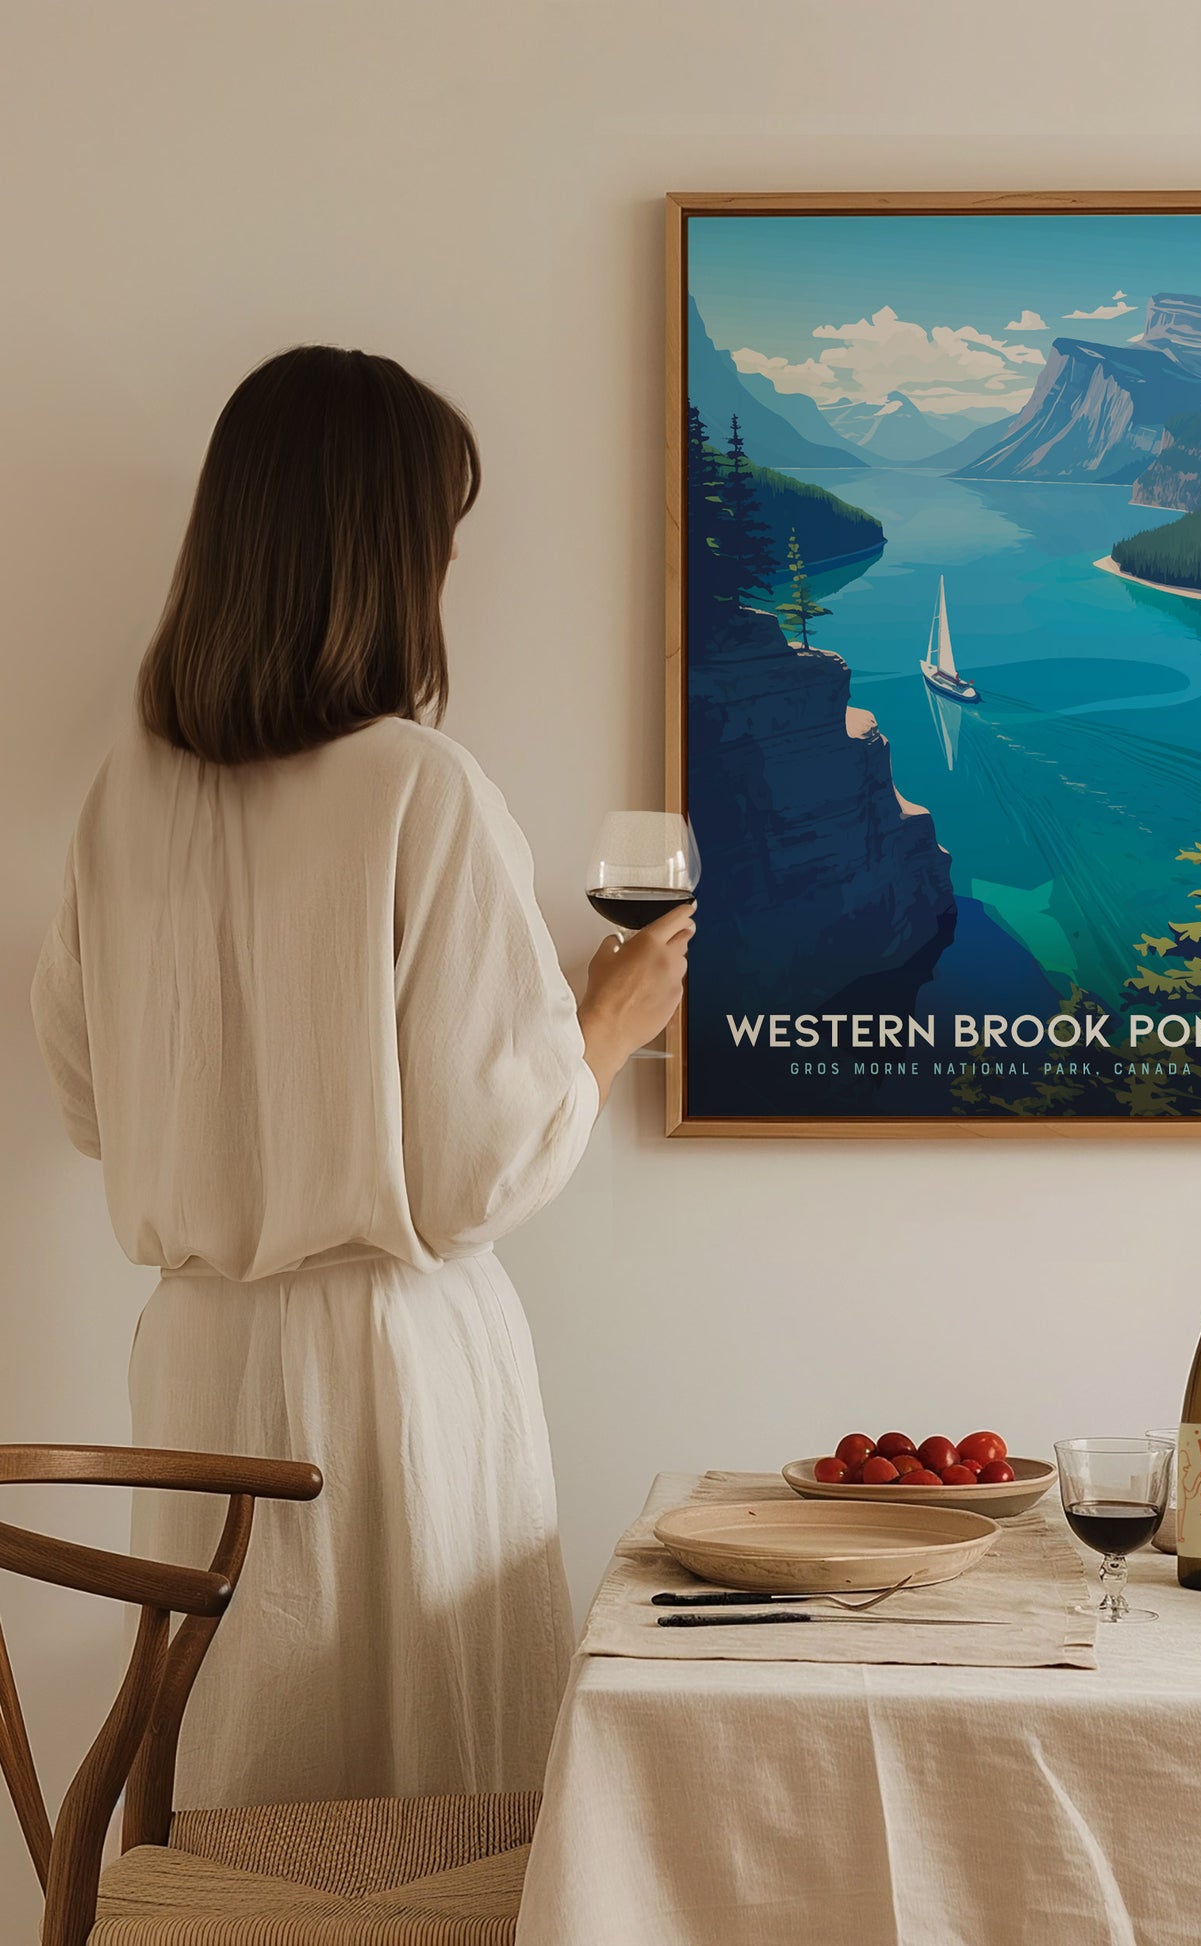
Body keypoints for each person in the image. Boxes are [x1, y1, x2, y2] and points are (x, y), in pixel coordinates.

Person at [29, 345, 688, 1806]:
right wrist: (606, 1020)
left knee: (240, 1786)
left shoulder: (124, 796)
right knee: (422, 1809)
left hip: (198, 1361)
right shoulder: (417, 786)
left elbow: (87, 1101)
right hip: (390, 1372)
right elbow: (474, 1173)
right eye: (437, 541)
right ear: (387, 556)